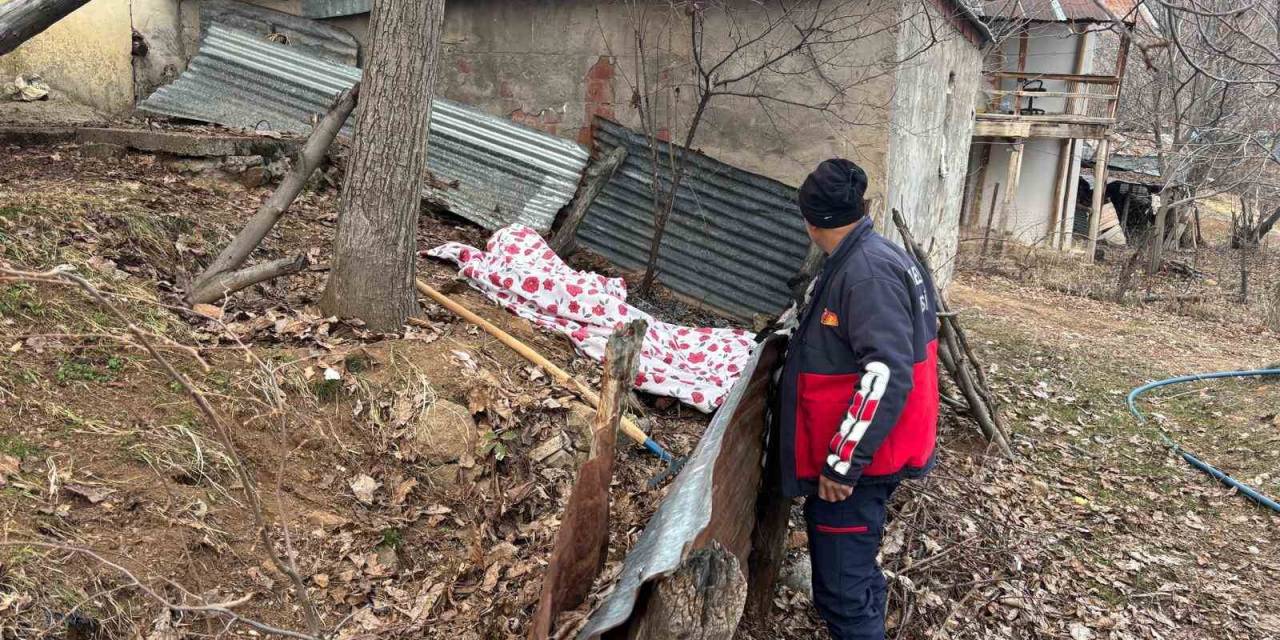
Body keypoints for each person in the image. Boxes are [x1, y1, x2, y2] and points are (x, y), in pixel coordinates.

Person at [775, 158, 939, 640]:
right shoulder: (870, 254)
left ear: (811, 218)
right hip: (871, 456)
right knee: (855, 577)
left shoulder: (866, 273)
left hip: (859, 468)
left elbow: (887, 373)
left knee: (843, 594)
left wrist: (844, 462)